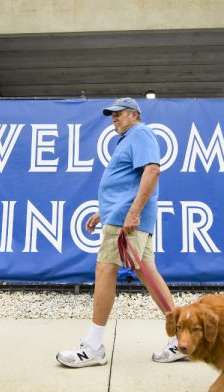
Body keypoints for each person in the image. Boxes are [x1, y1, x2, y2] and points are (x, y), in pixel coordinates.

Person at [56, 97, 186, 368]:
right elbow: (127, 183)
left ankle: (93, 347)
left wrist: (133, 212)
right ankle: (183, 339)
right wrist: (104, 211)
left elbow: (152, 171)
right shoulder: (128, 139)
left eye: (119, 114)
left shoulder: (140, 133)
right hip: (122, 217)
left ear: (134, 115)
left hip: (127, 221)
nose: (113, 118)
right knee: (147, 273)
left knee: (105, 270)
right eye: (111, 115)